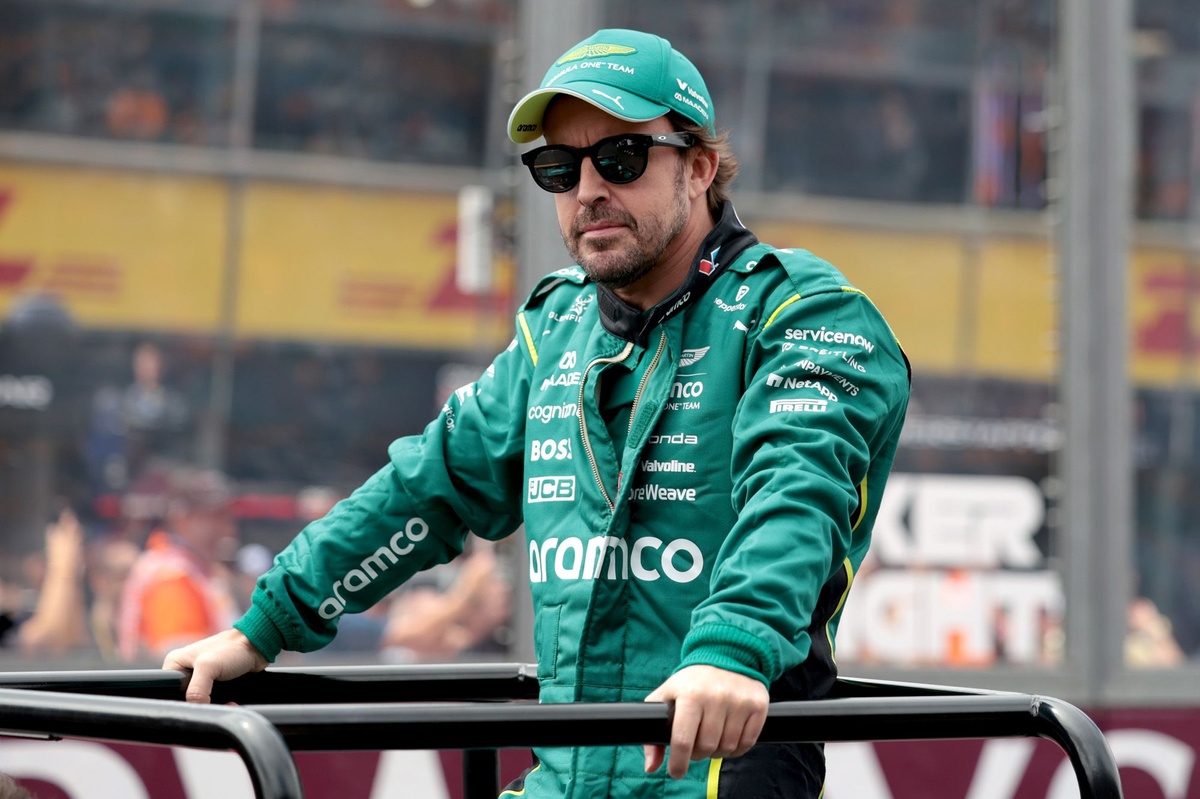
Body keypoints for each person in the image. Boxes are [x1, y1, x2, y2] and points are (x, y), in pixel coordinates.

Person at [164, 28, 911, 799]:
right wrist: (265, 626)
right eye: (558, 168)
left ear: (698, 167)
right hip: (566, 776)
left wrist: (731, 650)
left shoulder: (802, 313)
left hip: (718, 772)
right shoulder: (556, 326)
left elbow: (796, 492)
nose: (587, 190)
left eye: (621, 158)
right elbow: (429, 485)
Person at [119, 465, 241, 662]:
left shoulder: (194, 569)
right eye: (214, 517)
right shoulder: (171, 576)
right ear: (182, 519)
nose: (227, 529)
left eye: (226, 517)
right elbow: (181, 660)